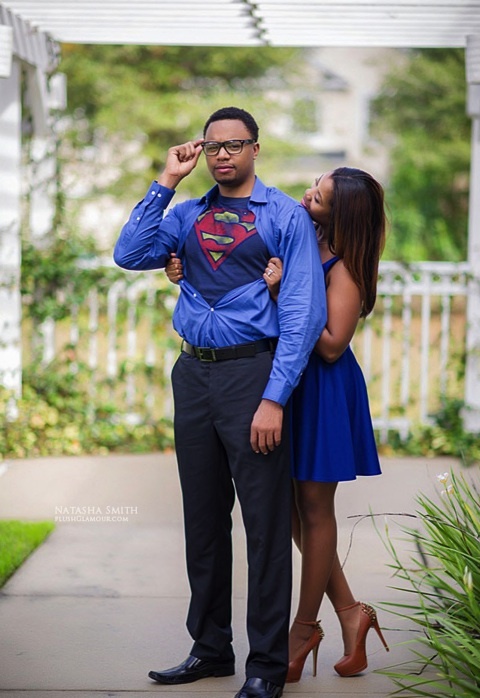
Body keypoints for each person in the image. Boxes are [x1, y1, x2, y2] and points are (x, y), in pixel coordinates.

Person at [113, 106, 326, 698]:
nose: (223, 155)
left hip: (253, 377)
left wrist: (275, 398)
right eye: (213, 147)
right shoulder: (185, 215)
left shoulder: (284, 216)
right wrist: (165, 181)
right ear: (203, 152)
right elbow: (129, 254)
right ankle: (210, 649)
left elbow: (305, 314)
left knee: (262, 528)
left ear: (256, 148)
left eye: (235, 145)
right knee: (203, 522)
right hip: (194, 376)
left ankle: (265, 667)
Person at [166, 166, 390, 683]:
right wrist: (185, 268)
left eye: (321, 196)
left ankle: (304, 626)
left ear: (343, 213)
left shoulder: (347, 266)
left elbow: (332, 343)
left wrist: (284, 295)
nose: (308, 194)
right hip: (276, 378)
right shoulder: (296, 233)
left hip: (320, 391)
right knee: (286, 510)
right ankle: (352, 613)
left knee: (312, 508)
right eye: (315, 186)